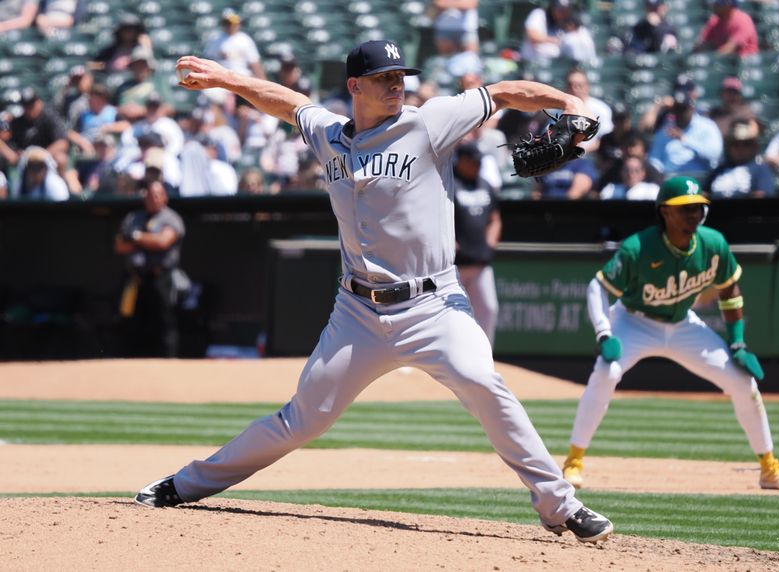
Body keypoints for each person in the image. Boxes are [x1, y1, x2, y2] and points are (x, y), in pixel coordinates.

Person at [133, 39, 614, 544]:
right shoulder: (328, 135)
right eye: (384, 78)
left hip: (433, 306)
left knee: (483, 382)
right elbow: (284, 100)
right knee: (303, 418)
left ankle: (561, 506)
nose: (396, 84)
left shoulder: (430, 121)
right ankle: (186, 484)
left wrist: (569, 104)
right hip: (357, 312)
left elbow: (508, 91)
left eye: (399, 76)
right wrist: (224, 79)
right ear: (354, 87)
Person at [561, 176, 779, 491]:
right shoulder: (638, 247)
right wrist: (605, 334)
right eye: (684, 208)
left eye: (698, 208)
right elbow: (597, 286)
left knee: (743, 382)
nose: (693, 215)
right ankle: (573, 461)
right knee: (606, 372)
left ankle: (769, 468)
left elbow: (730, 290)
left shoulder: (713, 243)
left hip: (683, 324)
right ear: (664, 212)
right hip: (634, 321)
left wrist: (738, 341)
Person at [114, 179, 185, 357]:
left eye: (157, 194)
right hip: (136, 279)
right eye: (149, 195)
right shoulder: (133, 217)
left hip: (161, 278)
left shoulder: (171, 218)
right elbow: (120, 245)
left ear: (164, 197)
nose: (153, 198)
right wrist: (146, 240)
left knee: (164, 323)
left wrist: (136, 237)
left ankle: (169, 364)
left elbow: (162, 242)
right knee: (131, 324)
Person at [452, 142, 501, 346]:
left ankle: (484, 357)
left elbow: (495, 218)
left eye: (479, 161)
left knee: (488, 309)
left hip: (480, 264)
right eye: (473, 162)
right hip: (453, 267)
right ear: (461, 161)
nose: (477, 165)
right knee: (451, 315)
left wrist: (490, 241)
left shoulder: (484, 184)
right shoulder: (448, 183)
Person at [648, 82, 723, 180]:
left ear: (692, 108)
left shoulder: (707, 126)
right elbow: (654, 159)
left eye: (683, 109)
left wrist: (685, 139)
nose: (680, 113)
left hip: (701, 179)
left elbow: (714, 154)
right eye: (677, 109)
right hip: (670, 180)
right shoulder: (665, 130)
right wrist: (658, 174)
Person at [706, 119, 775, 199]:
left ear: (753, 147)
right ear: (729, 147)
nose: (740, 149)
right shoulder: (719, 170)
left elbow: (763, 196)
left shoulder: (760, 170)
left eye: (746, 144)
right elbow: (704, 195)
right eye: (735, 144)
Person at [202, 8, 266, 80]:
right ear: (223, 23)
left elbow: (255, 62)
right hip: (220, 76)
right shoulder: (215, 39)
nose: (231, 26)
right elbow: (207, 59)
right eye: (228, 23)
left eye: (233, 23)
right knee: (210, 91)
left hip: (242, 75)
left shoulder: (245, 39)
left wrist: (262, 80)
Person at [563, 69, 613, 154]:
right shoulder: (557, 109)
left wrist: (583, 151)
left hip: (592, 158)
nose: (574, 89)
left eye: (579, 85)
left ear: (587, 86)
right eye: (570, 85)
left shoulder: (601, 109)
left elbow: (606, 138)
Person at [692, 0, 758, 57]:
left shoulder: (742, 20)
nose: (714, 6)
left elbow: (730, 48)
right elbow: (702, 43)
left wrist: (712, 59)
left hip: (743, 64)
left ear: (727, 4)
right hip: (721, 63)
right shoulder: (714, 20)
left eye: (717, 4)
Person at [521, 0, 572, 66]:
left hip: (554, 65)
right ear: (552, 8)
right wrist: (556, 40)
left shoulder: (564, 23)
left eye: (566, 11)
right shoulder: (539, 14)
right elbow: (532, 36)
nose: (563, 13)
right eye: (560, 10)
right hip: (533, 64)